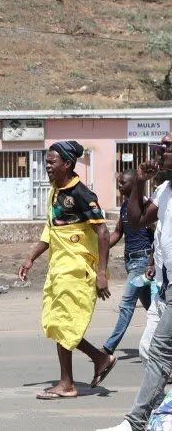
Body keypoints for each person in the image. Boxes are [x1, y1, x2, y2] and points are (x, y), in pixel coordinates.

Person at [18, 140, 113, 400]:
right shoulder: (55, 192)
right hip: (58, 269)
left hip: (77, 270)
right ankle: (99, 358)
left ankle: (67, 383)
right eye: (46, 162)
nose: (47, 166)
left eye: (52, 162)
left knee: (64, 323)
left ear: (68, 164)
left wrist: (102, 273)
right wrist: (31, 258)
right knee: (56, 323)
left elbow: (103, 233)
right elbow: (50, 230)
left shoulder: (82, 194)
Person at [98, 132, 172, 431]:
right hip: (165, 287)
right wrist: (140, 183)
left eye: (167, 146)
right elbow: (139, 220)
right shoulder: (165, 188)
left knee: (159, 351)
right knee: (153, 349)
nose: (160, 149)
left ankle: (136, 421)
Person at [101, 169, 154, 356]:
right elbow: (117, 233)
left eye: (123, 183)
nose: (119, 186)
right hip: (130, 262)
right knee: (153, 309)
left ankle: (108, 348)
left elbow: (157, 233)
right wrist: (102, 248)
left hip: (142, 262)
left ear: (134, 184)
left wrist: (151, 261)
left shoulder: (147, 205)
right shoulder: (125, 207)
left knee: (126, 304)